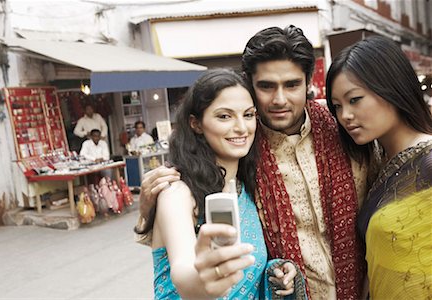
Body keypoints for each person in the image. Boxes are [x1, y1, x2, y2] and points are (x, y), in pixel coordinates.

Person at [137, 25, 368, 300]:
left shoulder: (346, 133)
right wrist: (147, 214)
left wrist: (277, 270)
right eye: (266, 86)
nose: (279, 99)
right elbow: (183, 265)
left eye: (292, 85)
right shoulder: (244, 153)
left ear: (309, 83)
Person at [136, 68, 306, 299]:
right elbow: (185, 273)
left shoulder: (245, 189)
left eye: (247, 115)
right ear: (196, 124)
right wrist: (202, 279)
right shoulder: (177, 192)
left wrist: (275, 271)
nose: (241, 127)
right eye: (224, 116)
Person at [326, 36, 432, 299]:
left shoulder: (428, 162)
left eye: (355, 99)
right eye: (337, 106)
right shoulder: (377, 164)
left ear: (391, 88)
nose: (345, 116)